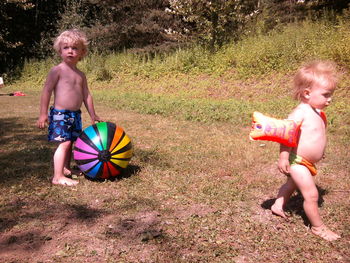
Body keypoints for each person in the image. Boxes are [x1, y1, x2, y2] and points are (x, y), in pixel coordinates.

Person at [270, 60, 341, 241]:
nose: (329, 99)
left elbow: (314, 136)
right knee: (311, 194)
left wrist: (319, 151)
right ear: (307, 93)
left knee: (290, 185)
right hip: (297, 161)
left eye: (330, 95)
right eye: (326, 95)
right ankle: (318, 228)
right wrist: (283, 156)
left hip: (306, 161)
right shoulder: (300, 112)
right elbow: (286, 135)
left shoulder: (316, 111)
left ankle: (278, 205)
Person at [37, 29, 100, 186]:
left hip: (75, 114)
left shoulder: (81, 75)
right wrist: (43, 114)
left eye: (74, 48)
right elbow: (46, 91)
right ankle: (57, 177)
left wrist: (93, 114)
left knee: (71, 142)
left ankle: (65, 169)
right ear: (60, 51)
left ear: (82, 52)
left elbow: (87, 95)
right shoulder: (57, 70)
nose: (70, 51)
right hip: (60, 114)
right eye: (66, 48)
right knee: (64, 143)